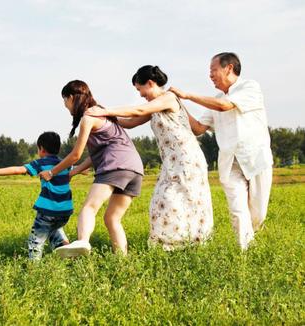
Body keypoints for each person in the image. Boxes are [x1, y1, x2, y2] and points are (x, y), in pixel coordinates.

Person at [87, 65, 213, 250]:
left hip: (187, 159)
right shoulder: (155, 108)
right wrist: (102, 118)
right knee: (162, 202)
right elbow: (130, 123)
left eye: (140, 89)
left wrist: (105, 110)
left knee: (183, 201)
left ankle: (189, 243)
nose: (140, 94)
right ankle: (171, 244)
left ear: (151, 83)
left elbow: (138, 111)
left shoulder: (168, 98)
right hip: (171, 161)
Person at [169, 52, 273, 250]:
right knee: (237, 210)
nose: (210, 76)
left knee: (258, 213)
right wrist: (178, 106)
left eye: (213, 70)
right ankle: (245, 252)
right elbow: (199, 128)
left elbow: (225, 106)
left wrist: (188, 95)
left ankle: (251, 237)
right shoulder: (215, 99)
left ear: (229, 68)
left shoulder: (249, 87)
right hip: (229, 162)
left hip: (255, 158)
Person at [39, 80, 144, 257]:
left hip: (115, 166)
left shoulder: (89, 118)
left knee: (89, 208)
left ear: (71, 97)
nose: (66, 106)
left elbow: (75, 154)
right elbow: (93, 157)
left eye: (65, 102)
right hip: (134, 168)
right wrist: (73, 172)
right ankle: (122, 261)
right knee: (112, 218)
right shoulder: (105, 116)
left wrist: (52, 172)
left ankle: (82, 242)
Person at [0, 131, 73, 260]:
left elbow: (18, 169)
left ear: (42, 149)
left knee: (36, 241)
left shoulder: (40, 163)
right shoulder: (65, 164)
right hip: (65, 211)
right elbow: (76, 167)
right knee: (54, 230)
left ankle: (34, 270)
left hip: (48, 211)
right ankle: (68, 253)